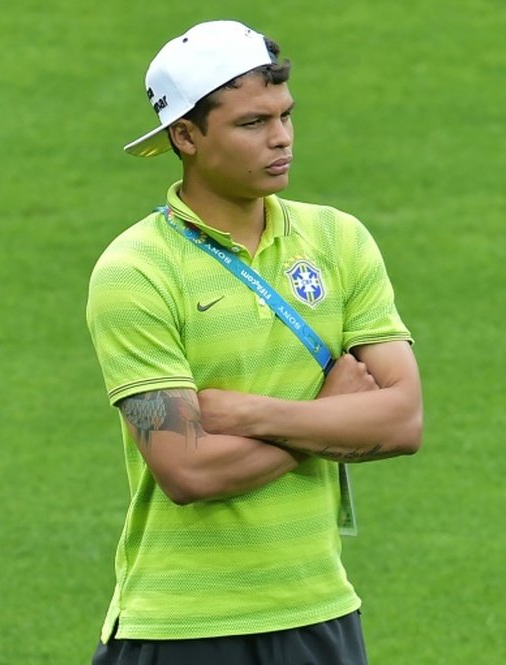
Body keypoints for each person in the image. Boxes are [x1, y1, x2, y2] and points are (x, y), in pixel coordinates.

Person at [85, 19, 423, 665]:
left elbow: (403, 421)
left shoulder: (339, 241)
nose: (282, 138)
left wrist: (248, 413)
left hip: (320, 608)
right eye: (251, 123)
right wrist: (332, 417)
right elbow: (187, 469)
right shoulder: (136, 271)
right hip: (181, 627)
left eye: (286, 115)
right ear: (185, 135)